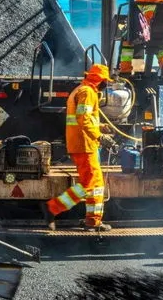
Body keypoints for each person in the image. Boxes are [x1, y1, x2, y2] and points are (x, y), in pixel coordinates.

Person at [45, 64, 113, 232]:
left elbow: (85, 118)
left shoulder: (80, 90)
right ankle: (53, 208)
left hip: (81, 143)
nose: (106, 85)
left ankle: (92, 221)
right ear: (100, 80)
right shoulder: (88, 93)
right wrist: (99, 136)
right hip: (85, 144)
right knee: (90, 185)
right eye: (105, 81)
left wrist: (101, 126)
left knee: (94, 185)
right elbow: (84, 119)